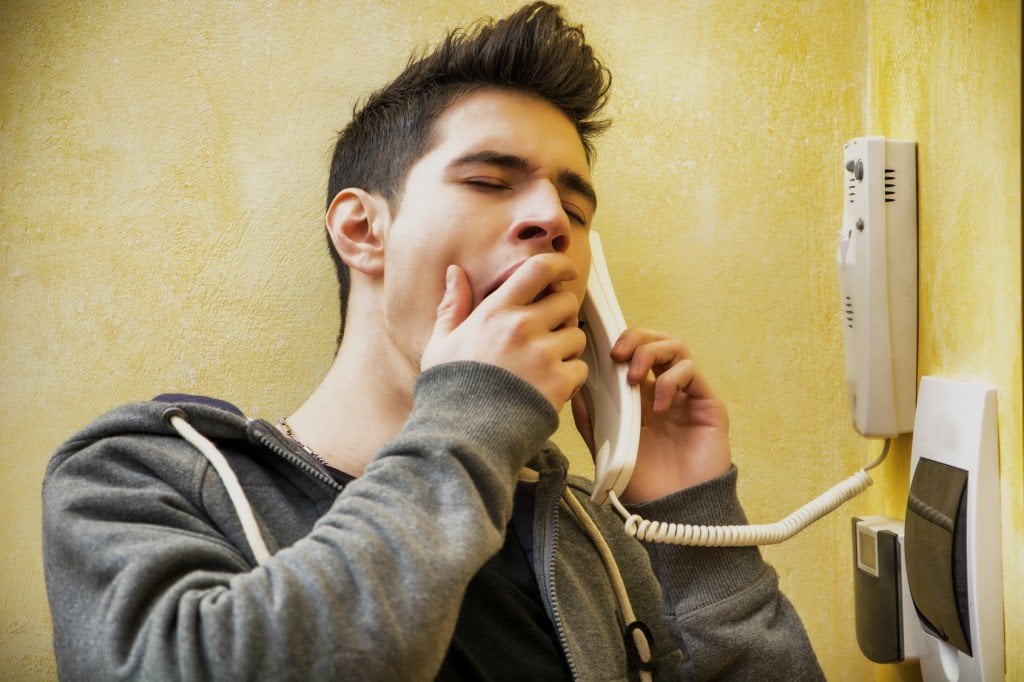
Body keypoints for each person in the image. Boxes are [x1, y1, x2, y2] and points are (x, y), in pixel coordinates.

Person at [42, 3, 825, 680]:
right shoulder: (138, 477)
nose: (551, 220)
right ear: (362, 229)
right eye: (490, 180)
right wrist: (470, 418)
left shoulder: (601, 544)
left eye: (577, 212)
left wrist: (698, 525)